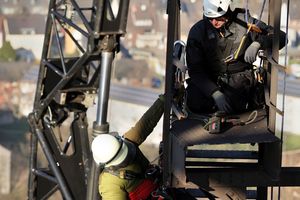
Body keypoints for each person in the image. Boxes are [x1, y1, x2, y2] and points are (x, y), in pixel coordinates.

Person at [185, 0, 286, 115]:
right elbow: (195, 70)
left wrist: (258, 43)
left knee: (238, 100)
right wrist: (214, 93)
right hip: (208, 80)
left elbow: (282, 37)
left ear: (228, 11)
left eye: (218, 18)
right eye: (210, 18)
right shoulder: (198, 32)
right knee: (194, 99)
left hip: (238, 82)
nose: (214, 22)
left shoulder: (245, 23)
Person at [91, 95, 164, 200]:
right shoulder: (110, 183)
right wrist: (163, 100)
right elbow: (146, 123)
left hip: (162, 188)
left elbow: (147, 122)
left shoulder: (127, 143)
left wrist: (163, 101)